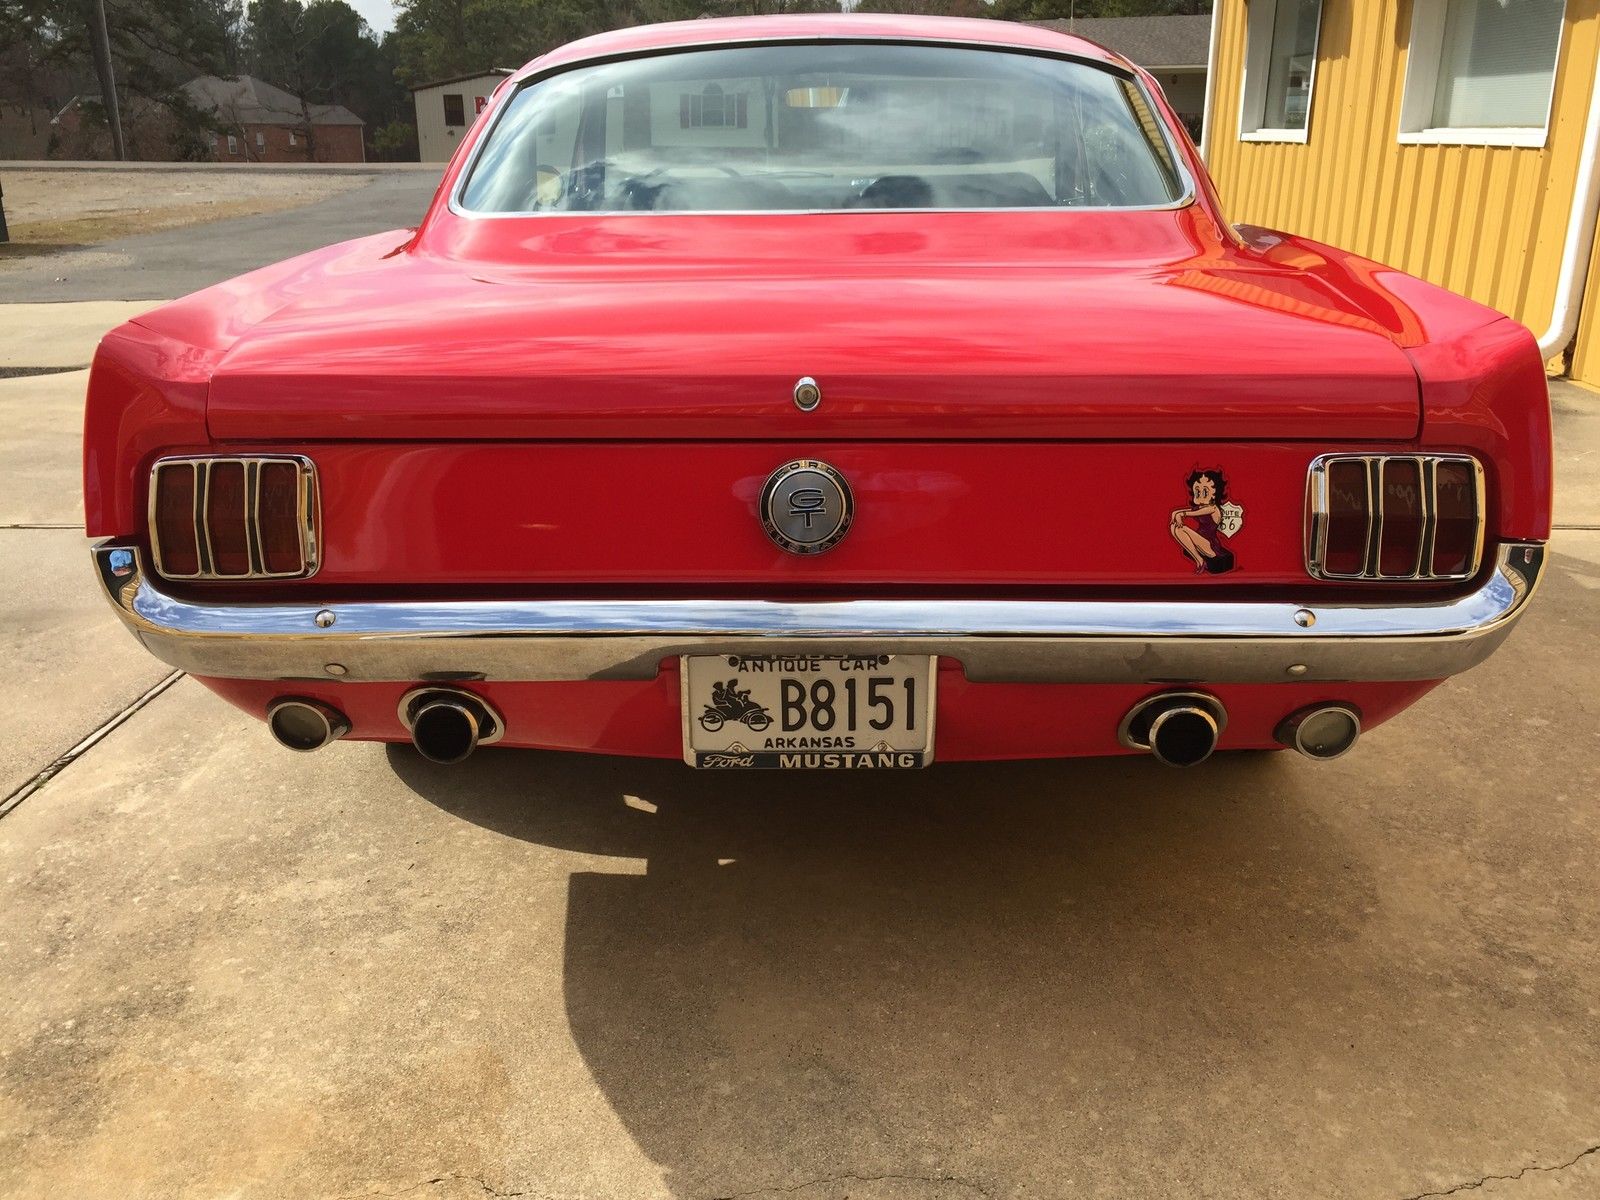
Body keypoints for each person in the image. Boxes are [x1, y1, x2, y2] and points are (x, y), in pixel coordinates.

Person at [1170, 469, 1236, 575]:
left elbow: (1191, 513)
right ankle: (1199, 559)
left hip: (1210, 545)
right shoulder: (1200, 507)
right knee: (1174, 527)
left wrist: (1181, 514)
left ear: (1214, 494)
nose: (1200, 494)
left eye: (1205, 491)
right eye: (1197, 491)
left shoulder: (1213, 508)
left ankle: (1200, 561)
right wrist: (1175, 514)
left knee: (1180, 528)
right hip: (1199, 542)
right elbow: (1183, 511)